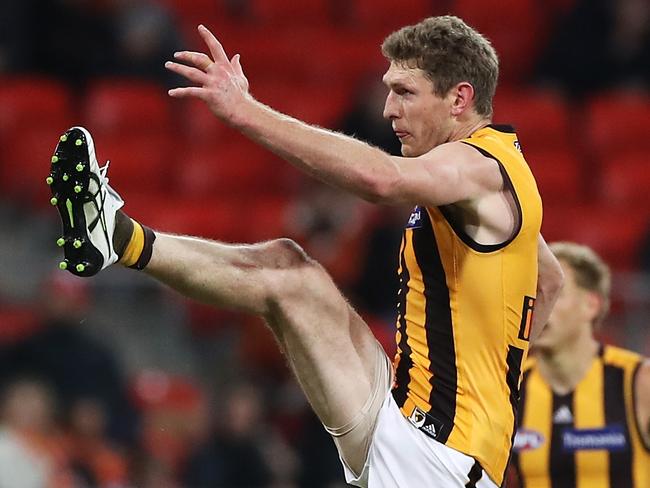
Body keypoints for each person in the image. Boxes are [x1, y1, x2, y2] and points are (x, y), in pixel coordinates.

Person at [47, 16, 564, 487]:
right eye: (389, 91)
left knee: (290, 279)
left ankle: (114, 237)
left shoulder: (476, 167)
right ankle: (114, 235)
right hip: (414, 421)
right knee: (287, 266)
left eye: (405, 92)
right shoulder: (505, 177)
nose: (388, 109)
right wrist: (501, 387)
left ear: (459, 99)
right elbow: (550, 280)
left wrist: (245, 113)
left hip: (439, 456)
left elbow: (379, 179)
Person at [508, 242, 650, 487]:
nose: (538, 304)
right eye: (533, 291)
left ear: (591, 305)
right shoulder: (512, 387)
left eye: (555, 293)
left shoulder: (638, 380)